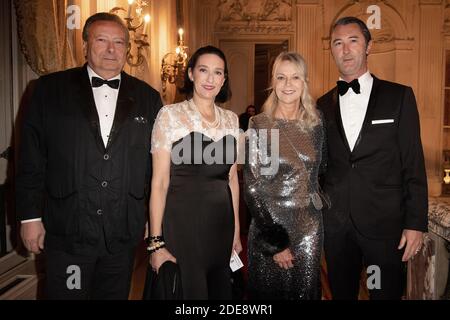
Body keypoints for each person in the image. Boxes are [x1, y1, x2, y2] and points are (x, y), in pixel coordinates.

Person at [15, 12, 163, 299]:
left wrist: (153, 218)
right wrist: (29, 217)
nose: (111, 49)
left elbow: (154, 167)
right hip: (68, 228)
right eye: (102, 40)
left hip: (122, 231)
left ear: (127, 50)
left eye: (119, 42)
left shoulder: (148, 97)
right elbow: (31, 158)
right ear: (84, 46)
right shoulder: (48, 90)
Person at [317, 16, 428, 300]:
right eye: (337, 43)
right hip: (338, 227)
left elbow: (413, 162)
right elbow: (321, 167)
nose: (345, 49)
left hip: (383, 227)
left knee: (382, 294)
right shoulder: (321, 105)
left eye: (353, 41)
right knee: (342, 295)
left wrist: (415, 223)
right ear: (331, 49)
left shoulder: (399, 97)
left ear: (369, 46)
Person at [149, 45, 242, 299]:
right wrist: (156, 243)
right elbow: (158, 183)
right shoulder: (169, 115)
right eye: (203, 70)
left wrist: (236, 231)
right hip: (183, 226)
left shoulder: (232, 120)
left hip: (221, 228)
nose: (210, 79)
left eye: (218, 72)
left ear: (224, 79)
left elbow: (232, 180)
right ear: (191, 74)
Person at [244, 51, 325, 300]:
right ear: (273, 82)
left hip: (310, 228)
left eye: (295, 78)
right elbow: (251, 186)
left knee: (305, 292)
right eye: (281, 77)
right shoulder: (259, 124)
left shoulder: (316, 123)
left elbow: (319, 173)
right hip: (270, 224)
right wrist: (274, 241)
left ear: (304, 82)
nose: (288, 85)